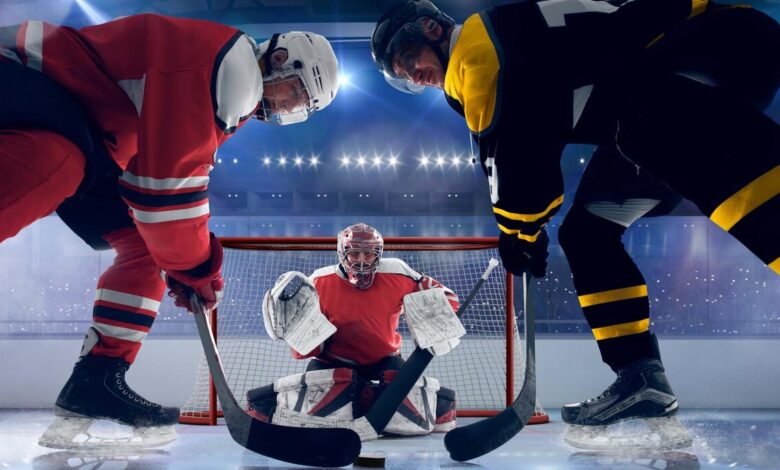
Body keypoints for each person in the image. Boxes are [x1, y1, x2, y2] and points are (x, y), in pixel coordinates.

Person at [371, 0, 780, 449]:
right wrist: (522, 230)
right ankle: (640, 375)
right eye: (401, 73)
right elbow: (518, 156)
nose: (411, 73)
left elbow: (520, 165)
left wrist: (519, 234)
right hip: (669, 77)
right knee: (588, 233)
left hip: (711, 44)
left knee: (661, 131)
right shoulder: (487, 52)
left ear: (429, 28)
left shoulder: (476, 53)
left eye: (408, 57)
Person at [0, 13, 339, 449]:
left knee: (147, 251)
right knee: (58, 163)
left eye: (298, 110)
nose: (287, 109)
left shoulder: (232, 87)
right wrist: (197, 266)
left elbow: (161, 191)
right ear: (279, 58)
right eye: (295, 93)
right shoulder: (233, 66)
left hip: (90, 131)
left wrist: (183, 261)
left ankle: (96, 379)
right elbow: (164, 194)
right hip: (34, 77)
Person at [247, 223, 462, 437]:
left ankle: (442, 410)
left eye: (368, 253)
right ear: (342, 253)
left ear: (378, 253)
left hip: (385, 359)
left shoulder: (399, 272)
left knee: (408, 397)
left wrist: (432, 318)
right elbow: (302, 348)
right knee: (312, 407)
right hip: (331, 361)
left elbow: (449, 299)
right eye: (355, 253)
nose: (361, 260)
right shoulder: (318, 281)